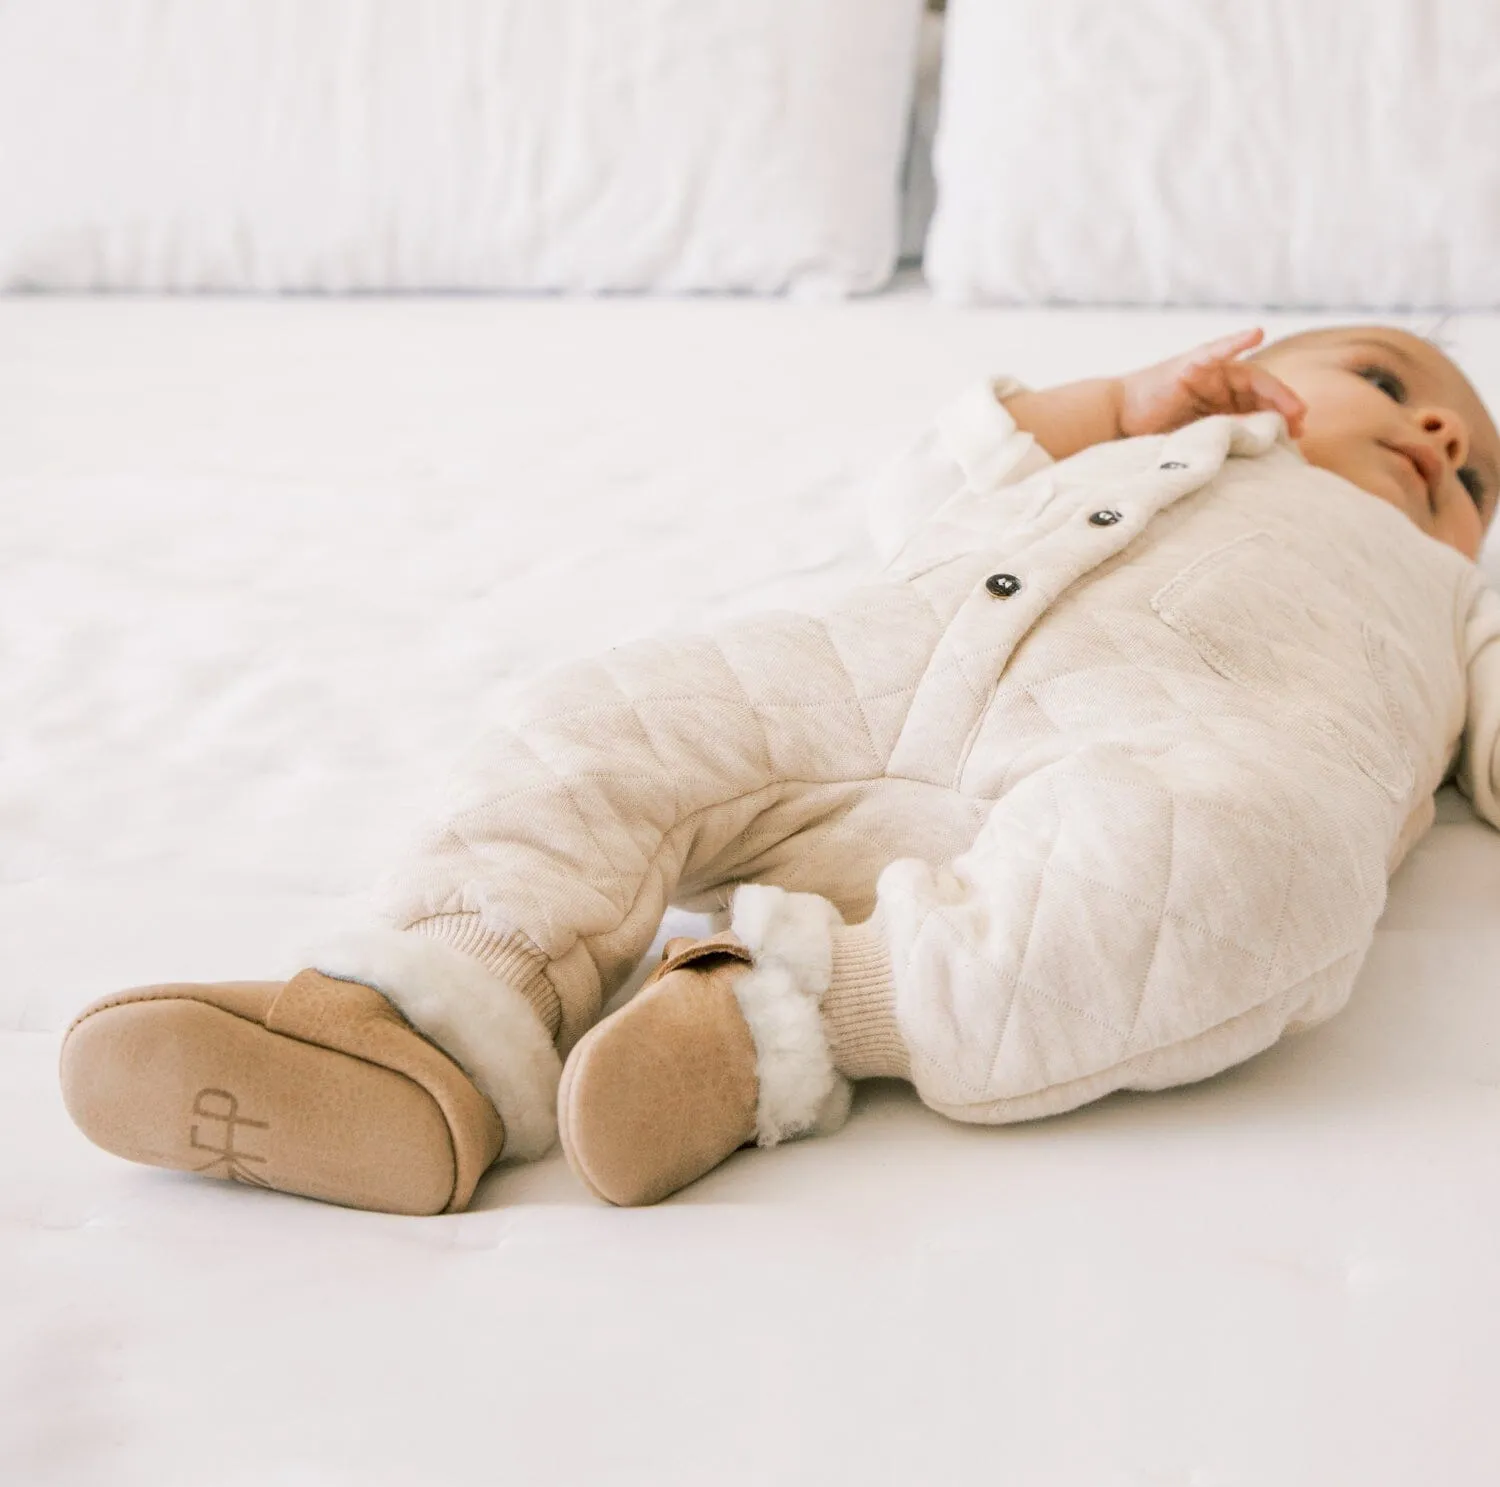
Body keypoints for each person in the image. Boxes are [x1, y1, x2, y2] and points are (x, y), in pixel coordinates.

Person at [58, 324, 1500, 1214]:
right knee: (603, 718)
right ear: (1248, 369)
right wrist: (1119, 400)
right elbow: (922, 486)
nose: (1441, 434)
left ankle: (780, 1018)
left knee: (1244, 879)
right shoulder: (1138, 443)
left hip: (1168, 748)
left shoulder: (1451, 598)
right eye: (1386, 376)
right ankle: (441, 1002)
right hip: (870, 669)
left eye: (1483, 475)